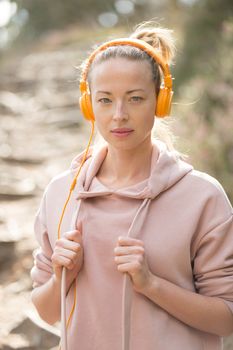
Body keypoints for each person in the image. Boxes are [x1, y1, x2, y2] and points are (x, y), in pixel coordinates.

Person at [30, 22, 233, 350]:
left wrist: (152, 285)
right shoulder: (61, 194)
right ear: (88, 105)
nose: (119, 115)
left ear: (160, 101)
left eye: (135, 98)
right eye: (105, 100)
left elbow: (226, 316)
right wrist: (59, 277)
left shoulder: (203, 197)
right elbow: (45, 310)